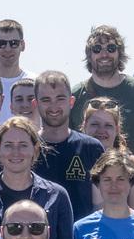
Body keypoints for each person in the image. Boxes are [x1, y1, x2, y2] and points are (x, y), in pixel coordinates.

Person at [70, 25, 134, 153]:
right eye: (97, 49)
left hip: (131, 165)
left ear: (120, 53)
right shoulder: (75, 95)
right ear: (89, 55)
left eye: (111, 48)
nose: (104, 54)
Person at [34, 71, 104, 221]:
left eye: (60, 99)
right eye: (46, 100)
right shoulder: (25, 149)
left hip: (80, 233)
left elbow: (100, 205)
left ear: (71, 102)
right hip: (35, 233)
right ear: (36, 104)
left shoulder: (91, 148)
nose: (54, 106)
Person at [80, 98, 134, 211]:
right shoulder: (73, 160)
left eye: (108, 125)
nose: (101, 130)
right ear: (84, 126)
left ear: (117, 129)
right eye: (95, 124)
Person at [0, 19, 31, 126]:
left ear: (22, 45)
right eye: (1, 43)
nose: (8, 49)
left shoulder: (35, 82)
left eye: (14, 43)